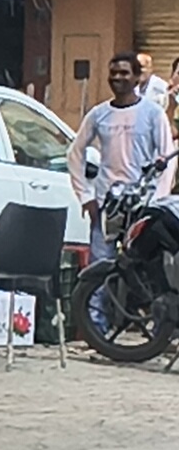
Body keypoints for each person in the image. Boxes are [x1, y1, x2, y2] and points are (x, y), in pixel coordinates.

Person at [69, 53, 177, 295]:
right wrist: (86, 197)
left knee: (148, 268)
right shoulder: (99, 115)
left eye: (125, 73)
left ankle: (155, 326)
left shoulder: (153, 114)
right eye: (114, 73)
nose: (118, 78)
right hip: (108, 206)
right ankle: (96, 327)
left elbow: (168, 156)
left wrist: (157, 200)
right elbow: (75, 153)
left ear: (138, 78)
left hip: (143, 205)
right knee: (99, 271)